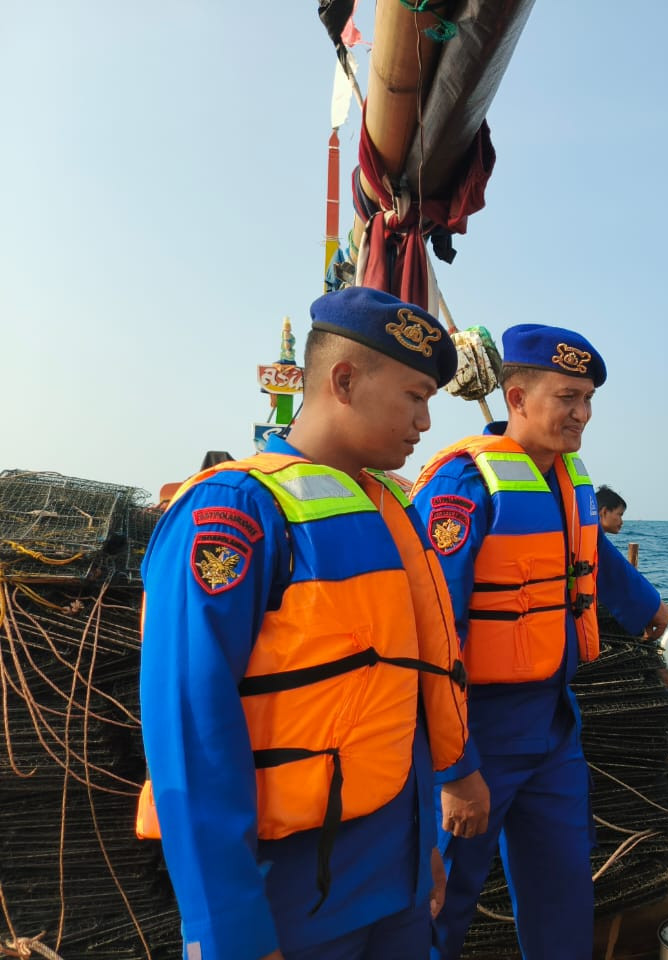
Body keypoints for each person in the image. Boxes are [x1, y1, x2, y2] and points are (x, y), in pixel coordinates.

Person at [137, 287, 471, 960]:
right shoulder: (235, 514)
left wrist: (421, 855)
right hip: (287, 894)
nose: (425, 423)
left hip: (394, 882)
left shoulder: (391, 512)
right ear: (344, 381)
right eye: (414, 397)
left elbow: (387, 695)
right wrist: (227, 927)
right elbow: (191, 729)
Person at [409, 323, 668, 960]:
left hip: (555, 723)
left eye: (588, 400)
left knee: (561, 895)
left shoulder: (570, 478)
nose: (581, 414)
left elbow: (591, 553)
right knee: (440, 904)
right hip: (477, 728)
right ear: (517, 398)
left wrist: (644, 604)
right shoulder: (463, 485)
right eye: (567, 398)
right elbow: (429, 625)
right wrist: (453, 767)